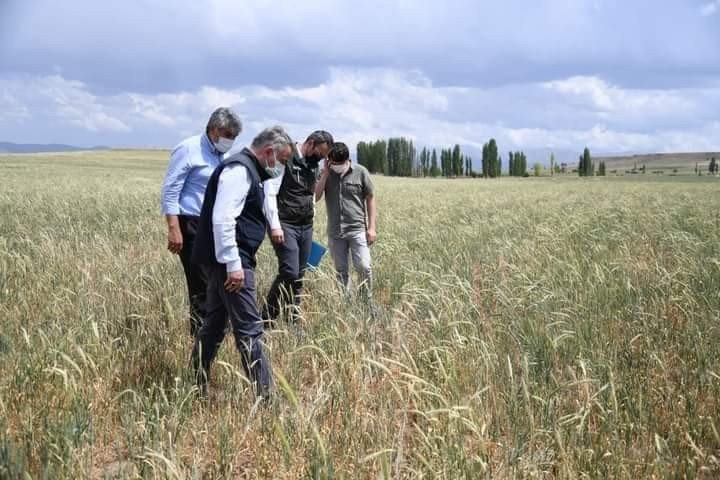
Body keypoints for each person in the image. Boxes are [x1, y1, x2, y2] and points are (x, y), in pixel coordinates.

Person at [191, 126, 294, 399]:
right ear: (269, 152)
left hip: (225, 259)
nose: (281, 167)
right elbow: (223, 220)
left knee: (213, 324)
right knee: (250, 329)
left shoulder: (249, 169)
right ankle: (267, 397)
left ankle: (194, 382)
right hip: (231, 262)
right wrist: (233, 265)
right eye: (282, 161)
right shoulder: (239, 171)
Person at [161, 107, 242, 336]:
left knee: (218, 282)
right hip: (192, 224)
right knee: (201, 284)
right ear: (214, 130)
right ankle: (200, 338)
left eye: (234, 137)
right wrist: (174, 228)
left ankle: (216, 330)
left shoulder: (223, 155)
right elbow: (170, 191)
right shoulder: (188, 149)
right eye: (228, 135)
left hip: (216, 225)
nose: (231, 141)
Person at [263, 130, 334, 324]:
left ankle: (291, 319)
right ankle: (266, 318)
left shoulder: (313, 166)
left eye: (323, 156)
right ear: (310, 143)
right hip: (285, 224)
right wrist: (275, 226)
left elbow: (312, 196)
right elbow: (270, 192)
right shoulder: (285, 156)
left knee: (299, 275)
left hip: (305, 225)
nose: (320, 158)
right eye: (319, 153)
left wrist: (325, 173)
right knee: (289, 271)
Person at [314, 142, 377, 308]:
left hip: (357, 229)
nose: (337, 167)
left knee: (364, 266)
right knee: (341, 271)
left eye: (340, 164)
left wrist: (371, 228)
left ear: (347, 160)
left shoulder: (360, 172)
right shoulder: (326, 173)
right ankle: (347, 305)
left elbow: (370, 198)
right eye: (334, 164)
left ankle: (366, 302)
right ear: (329, 161)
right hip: (335, 232)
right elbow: (316, 196)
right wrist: (326, 174)